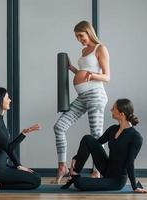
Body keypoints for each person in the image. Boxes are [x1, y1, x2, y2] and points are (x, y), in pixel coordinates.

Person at [53, 20, 110, 183]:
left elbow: (107, 77)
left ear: (88, 32)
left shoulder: (101, 49)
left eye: (81, 35)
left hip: (95, 96)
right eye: (77, 37)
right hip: (82, 97)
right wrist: (73, 69)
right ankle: (62, 167)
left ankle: (97, 171)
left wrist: (92, 76)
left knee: (96, 135)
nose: (79, 39)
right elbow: (83, 72)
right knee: (59, 127)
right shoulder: (84, 51)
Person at [60, 98, 147, 193]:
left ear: (121, 114)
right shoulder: (113, 129)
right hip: (107, 168)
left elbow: (130, 163)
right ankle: (74, 173)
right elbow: (94, 144)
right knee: (88, 139)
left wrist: (134, 187)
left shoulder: (135, 137)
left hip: (116, 180)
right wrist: (76, 158)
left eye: (113, 108)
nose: (111, 110)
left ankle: (75, 178)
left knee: (79, 183)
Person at [0, 87, 41, 190]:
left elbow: (6, 146)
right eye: (7, 98)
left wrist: (24, 133)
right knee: (36, 181)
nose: (10, 100)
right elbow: (9, 148)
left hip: (1, 168)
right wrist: (19, 165)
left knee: (35, 176)